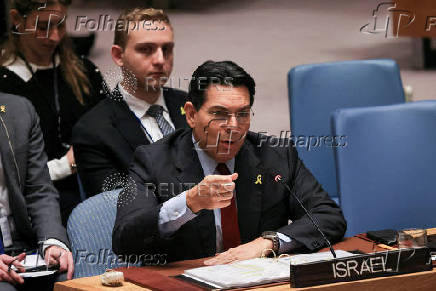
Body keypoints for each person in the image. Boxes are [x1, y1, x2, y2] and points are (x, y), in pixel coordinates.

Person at [112, 60, 347, 264]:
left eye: (243, 114)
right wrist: (188, 203)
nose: (234, 126)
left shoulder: (276, 155)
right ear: (192, 114)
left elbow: (328, 217)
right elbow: (124, 240)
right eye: (220, 114)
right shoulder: (154, 160)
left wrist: (268, 243)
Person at [0, 0, 106, 225]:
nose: (55, 37)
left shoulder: (85, 71)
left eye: (61, 25)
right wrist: (66, 165)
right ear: (18, 20)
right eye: (43, 26)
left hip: (95, 196)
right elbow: (9, 177)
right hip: (37, 212)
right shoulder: (5, 86)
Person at [72, 8, 188, 197]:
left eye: (166, 49)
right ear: (119, 56)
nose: (160, 60)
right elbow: (117, 210)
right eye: (146, 49)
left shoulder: (191, 104)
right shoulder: (93, 131)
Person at [0, 92, 73, 291]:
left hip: (24, 246)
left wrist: (52, 241)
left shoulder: (19, 110)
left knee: (72, 281)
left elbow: (39, 189)